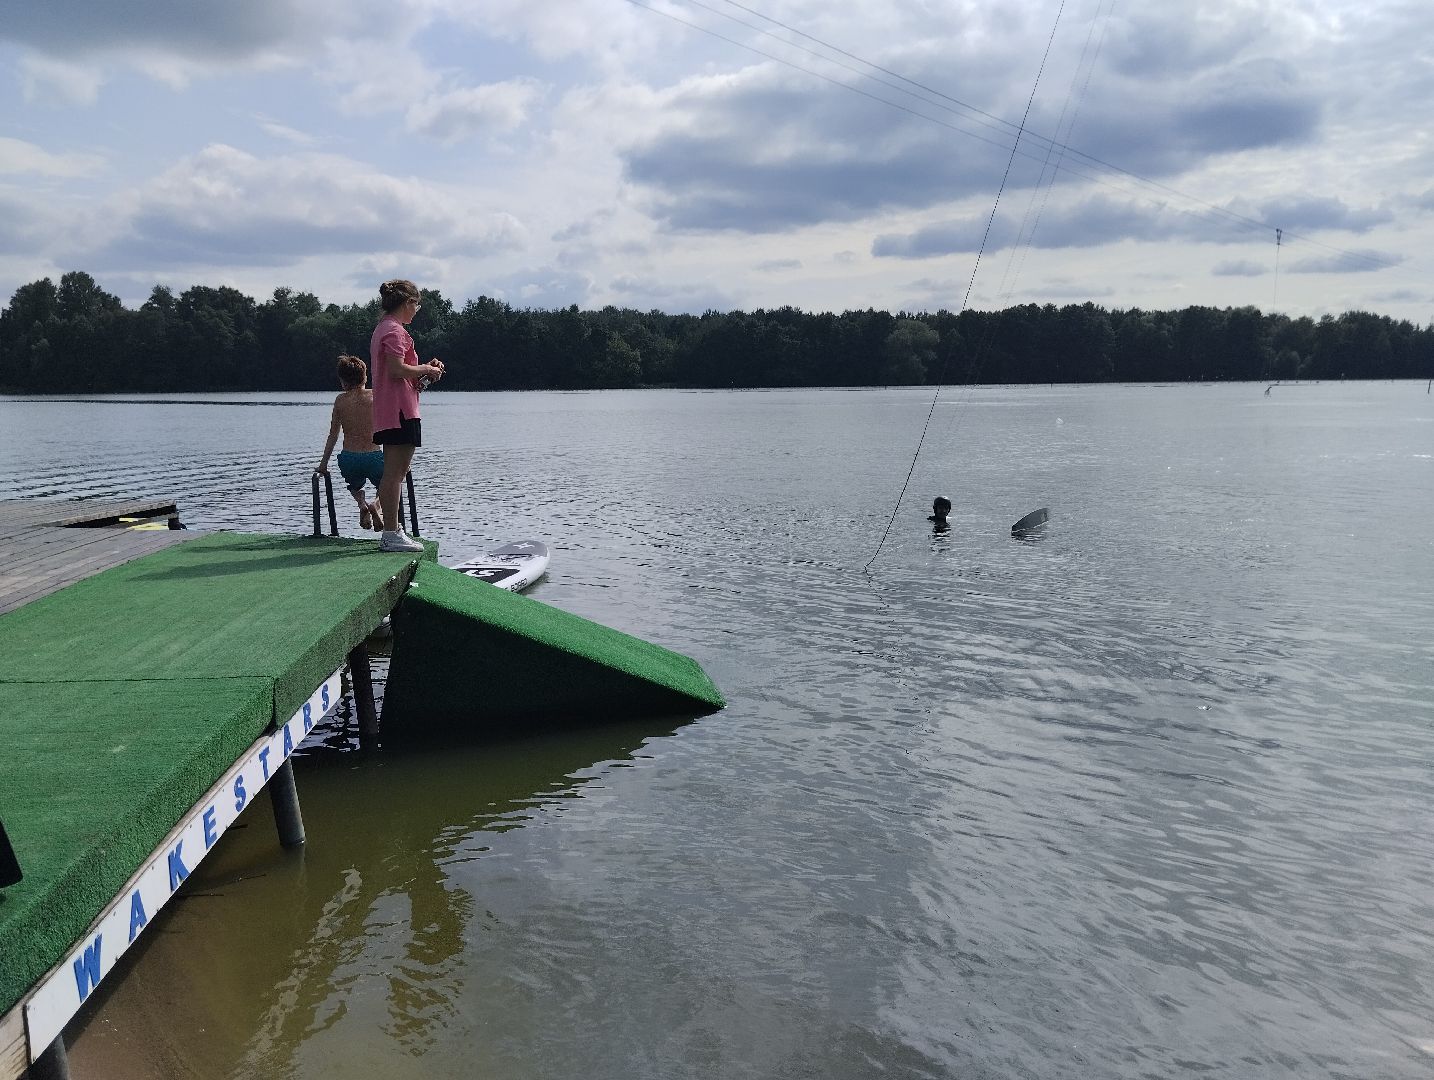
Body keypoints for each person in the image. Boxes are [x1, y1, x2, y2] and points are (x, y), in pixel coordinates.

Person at [370, 279, 445, 553]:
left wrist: (426, 372)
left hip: (392, 409)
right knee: (395, 474)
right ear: (407, 303)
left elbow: (400, 373)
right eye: (416, 304)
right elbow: (396, 370)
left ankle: (393, 532)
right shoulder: (395, 331)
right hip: (400, 412)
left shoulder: (384, 328)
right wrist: (425, 367)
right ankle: (392, 533)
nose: (417, 310)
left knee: (394, 473)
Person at [314, 355, 384, 532]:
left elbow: (333, 435)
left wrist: (323, 464)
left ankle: (361, 502)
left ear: (343, 382)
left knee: (354, 486)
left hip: (349, 458)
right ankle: (376, 504)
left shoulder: (340, 400)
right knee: (388, 484)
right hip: (374, 456)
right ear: (365, 377)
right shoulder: (375, 396)